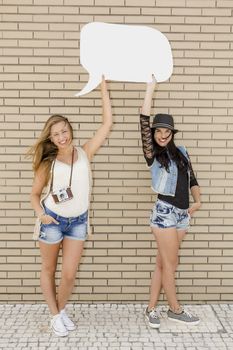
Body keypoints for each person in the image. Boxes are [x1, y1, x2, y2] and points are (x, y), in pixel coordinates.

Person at [28, 78, 112, 337]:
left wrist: (103, 88)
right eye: (56, 134)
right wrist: (41, 215)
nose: (62, 137)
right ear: (51, 138)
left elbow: (107, 123)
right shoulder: (48, 161)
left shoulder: (85, 151)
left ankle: (60, 311)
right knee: (48, 270)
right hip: (52, 220)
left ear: (70, 131)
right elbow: (34, 194)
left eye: (64, 131)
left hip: (77, 222)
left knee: (69, 274)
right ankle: (55, 316)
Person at [140, 76, 201, 328]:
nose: (162, 135)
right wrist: (150, 89)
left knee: (162, 263)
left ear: (172, 134)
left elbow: (192, 178)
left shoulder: (182, 151)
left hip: (182, 215)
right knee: (170, 264)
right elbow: (143, 121)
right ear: (153, 134)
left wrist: (198, 201)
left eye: (166, 131)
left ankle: (151, 309)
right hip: (164, 213)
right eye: (158, 131)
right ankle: (175, 309)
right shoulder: (153, 154)